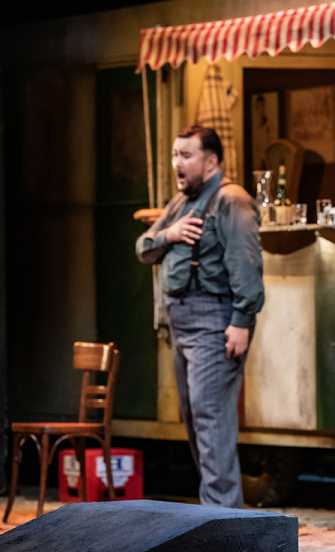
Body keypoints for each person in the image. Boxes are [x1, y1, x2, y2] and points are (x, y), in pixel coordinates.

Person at [136, 125, 264, 508]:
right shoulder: (180, 203)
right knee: (195, 420)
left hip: (214, 321)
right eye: (175, 154)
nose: (177, 163)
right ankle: (223, 519)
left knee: (212, 420)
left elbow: (246, 266)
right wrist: (169, 234)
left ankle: (224, 524)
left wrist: (241, 321)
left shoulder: (231, 200)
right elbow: (144, 248)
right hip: (182, 323)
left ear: (211, 161)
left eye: (186, 155)